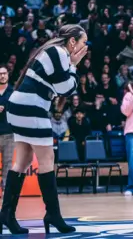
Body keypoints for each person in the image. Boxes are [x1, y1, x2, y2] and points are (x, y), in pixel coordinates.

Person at [1, 24, 88, 234]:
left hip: (19, 106)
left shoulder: (53, 52)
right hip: (31, 107)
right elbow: (66, 88)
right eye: (83, 42)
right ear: (72, 41)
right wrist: (74, 65)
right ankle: (53, 214)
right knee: (47, 160)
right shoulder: (58, 52)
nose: (85, 47)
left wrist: (70, 65)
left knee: (22, 161)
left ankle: (6, 214)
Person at [0, 65, 14, 191]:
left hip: (9, 133)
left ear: (8, 75)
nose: (2, 76)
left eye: (4, 73)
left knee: (8, 164)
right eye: (0, 74)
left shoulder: (13, 91)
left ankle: (6, 192)